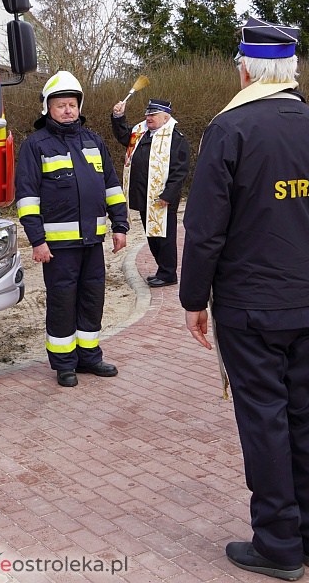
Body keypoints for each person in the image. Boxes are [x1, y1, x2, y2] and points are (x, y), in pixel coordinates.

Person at [181, 18, 309, 580]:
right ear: (292, 69)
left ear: (247, 68)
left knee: (264, 420)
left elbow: (206, 228)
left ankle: (278, 544)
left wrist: (193, 297)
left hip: (253, 306)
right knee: (308, 414)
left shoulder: (229, 130)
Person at [15, 71, 130, 387]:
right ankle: (64, 364)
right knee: (63, 303)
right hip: (57, 248)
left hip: (92, 242)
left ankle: (89, 357)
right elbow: (26, 199)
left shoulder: (93, 141)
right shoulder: (35, 146)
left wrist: (120, 225)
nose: (68, 110)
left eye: (72, 104)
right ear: (47, 108)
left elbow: (111, 187)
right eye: (61, 104)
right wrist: (37, 240)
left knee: (92, 300)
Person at [110, 96, 191, 287]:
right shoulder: (141, 134)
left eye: (153, 115)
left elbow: (179, 170)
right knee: (152, 236)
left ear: (166, 117)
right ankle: (162, 270)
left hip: (162, 198)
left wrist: (168, 195)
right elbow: (123, 136)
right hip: (144, 196)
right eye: (147, 114)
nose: (149, 118)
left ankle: (168, 273)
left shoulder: (176, 139)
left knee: (165, 237)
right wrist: (118, 116)